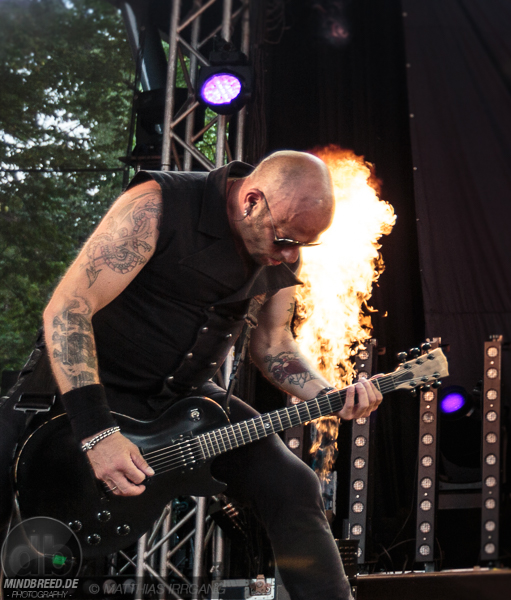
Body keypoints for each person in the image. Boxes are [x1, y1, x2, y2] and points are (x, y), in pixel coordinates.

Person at [40, 151, 378, 599]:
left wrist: (327, 395)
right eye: (283, 239)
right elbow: (68, 309)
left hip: (187, 400)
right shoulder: (159, 204)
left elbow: (273, 345)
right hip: (93, 391)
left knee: (294, 485)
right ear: (252, 201)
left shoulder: (281, 255)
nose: (290, 254)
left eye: (302, 245)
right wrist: (97, 432)